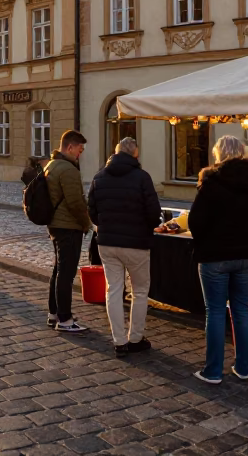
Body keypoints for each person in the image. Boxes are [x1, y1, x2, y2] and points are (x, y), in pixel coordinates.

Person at [186, 135, 248, 384]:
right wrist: (246, 232)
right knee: (241, 310)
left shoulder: (211, 182)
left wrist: (210, 237)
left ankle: (213, 371)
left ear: (218, 154)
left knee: (215, 311)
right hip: (246, 255)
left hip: (215, 256)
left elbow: (195, 222)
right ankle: (243, 367)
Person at [88, 137, 161, 357]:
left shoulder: (99, 177)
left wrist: (105, 224)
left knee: (114, 290)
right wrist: (149, 226)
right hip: (137, 243)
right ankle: (135, 338)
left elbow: (92, 211)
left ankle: (119, 341)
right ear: (135, 154)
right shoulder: (142, 177)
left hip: (108, 243)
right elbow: (153, 211)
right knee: (139, 291)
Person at [45, 130, 90, 333]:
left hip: (55, 224)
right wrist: (86, 223)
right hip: (68, 226)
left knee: (58, 270)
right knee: (66, 273)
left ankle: (54, 312)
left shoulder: (52, 165)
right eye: (79, 150)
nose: (80, 154)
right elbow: (75, 202)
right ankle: (65, 319)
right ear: (70, 147)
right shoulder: (68, 169)